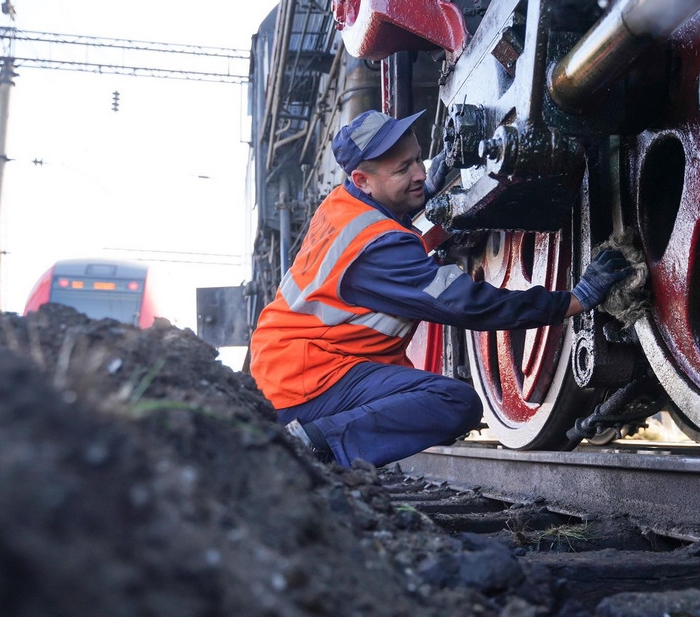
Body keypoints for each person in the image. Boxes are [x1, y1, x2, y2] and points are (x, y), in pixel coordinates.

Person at [250, 109, 632, 467]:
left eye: (418, 159)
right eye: (404, 169)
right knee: (454, 402)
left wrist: (426, 189)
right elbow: (469, 305)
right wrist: (573, 300)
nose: (419, 172)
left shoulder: (342, 205)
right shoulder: (378, 247)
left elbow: (392, 218)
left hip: (296, 367)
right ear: (363, 181)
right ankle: (312, 445)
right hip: (308, 381)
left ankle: (315, 438)